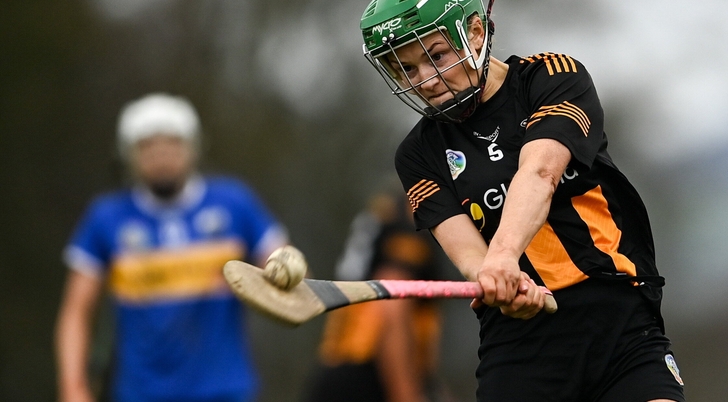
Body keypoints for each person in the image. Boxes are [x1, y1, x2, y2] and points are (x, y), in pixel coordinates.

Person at [358, 0, 685, 402]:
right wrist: (498, 282)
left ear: (474, 31)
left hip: (618, 322)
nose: (426, 82)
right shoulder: (417, 155)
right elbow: (469, 253)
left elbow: (540, 172)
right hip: (520, 345)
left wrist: (505, 257)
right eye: (407, 70)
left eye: (435, 56)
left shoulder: (552, 77)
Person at [54, 93, 289, 402]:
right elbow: (76, 313)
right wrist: (73, 388)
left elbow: (282, 265)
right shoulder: (106, 218)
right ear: (128, 155)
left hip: (226, 392)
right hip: (139, 394)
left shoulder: (234, 203)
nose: (161, 156)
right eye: (148, 147)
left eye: (171, 144)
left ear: (193, 148)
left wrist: (287, 269)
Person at [303, 188, 447, 402]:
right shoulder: (412, 217)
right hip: (371, 372)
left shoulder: (386, 208)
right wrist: (407, 395)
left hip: (339, 368)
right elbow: (392, 305)